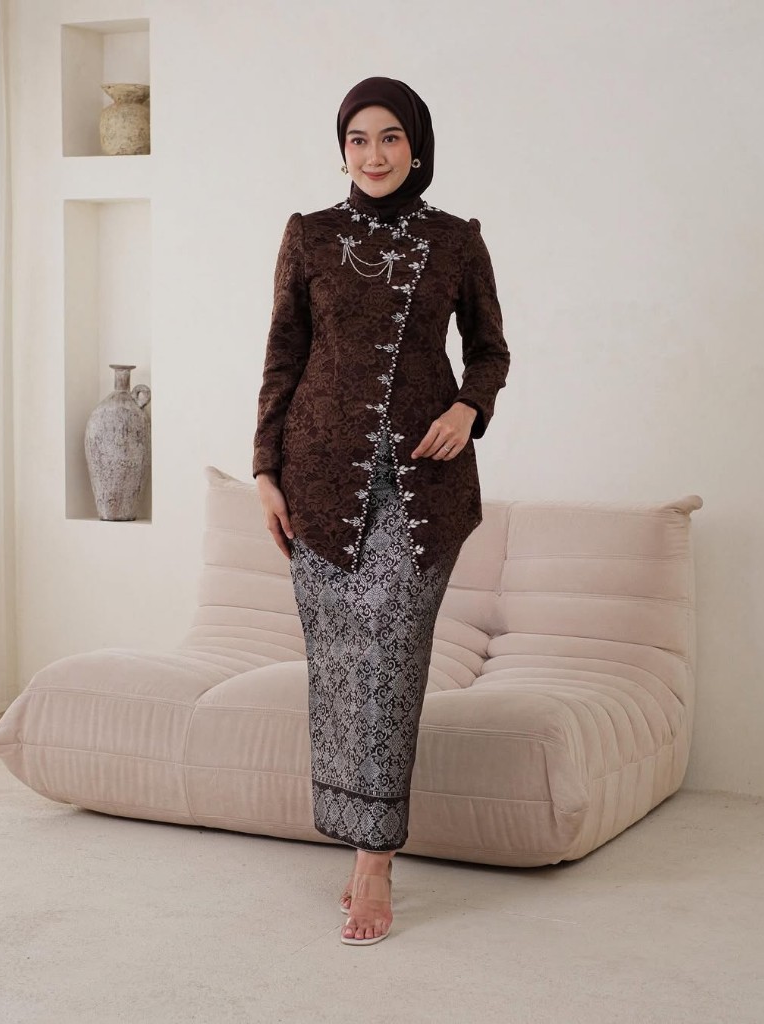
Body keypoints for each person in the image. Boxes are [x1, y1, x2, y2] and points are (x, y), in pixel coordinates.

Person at [252, 76, 511, 946]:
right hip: (318, 481)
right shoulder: (310, 235)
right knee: (338, 666)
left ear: (417, 146)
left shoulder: (456, 240)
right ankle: (353, 832)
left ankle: (375, 860)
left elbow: (490, 350)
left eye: (391, 137)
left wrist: (467, 408)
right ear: (342, 150)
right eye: (358, 138)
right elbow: (283, 357)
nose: (374, 153)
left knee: (392, 662)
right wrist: (265, 470)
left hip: (421, 488)